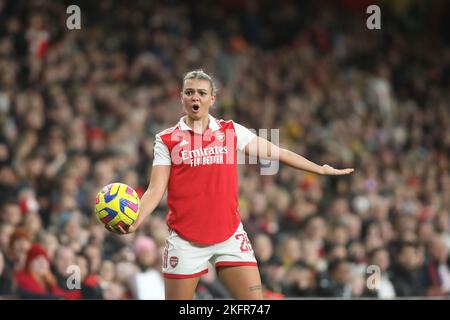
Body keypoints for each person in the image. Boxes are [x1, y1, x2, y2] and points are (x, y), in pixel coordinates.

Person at [106, 69, 354, 299]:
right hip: (185, 240)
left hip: (230, 237)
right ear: (182, 97)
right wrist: (135, 220)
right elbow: (155, 190)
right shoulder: (166, 139)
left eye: (202, 93)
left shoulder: (231, 131)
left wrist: (319, 169)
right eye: (189, 92)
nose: (196, 97)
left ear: (212, 99)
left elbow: (278, 153)